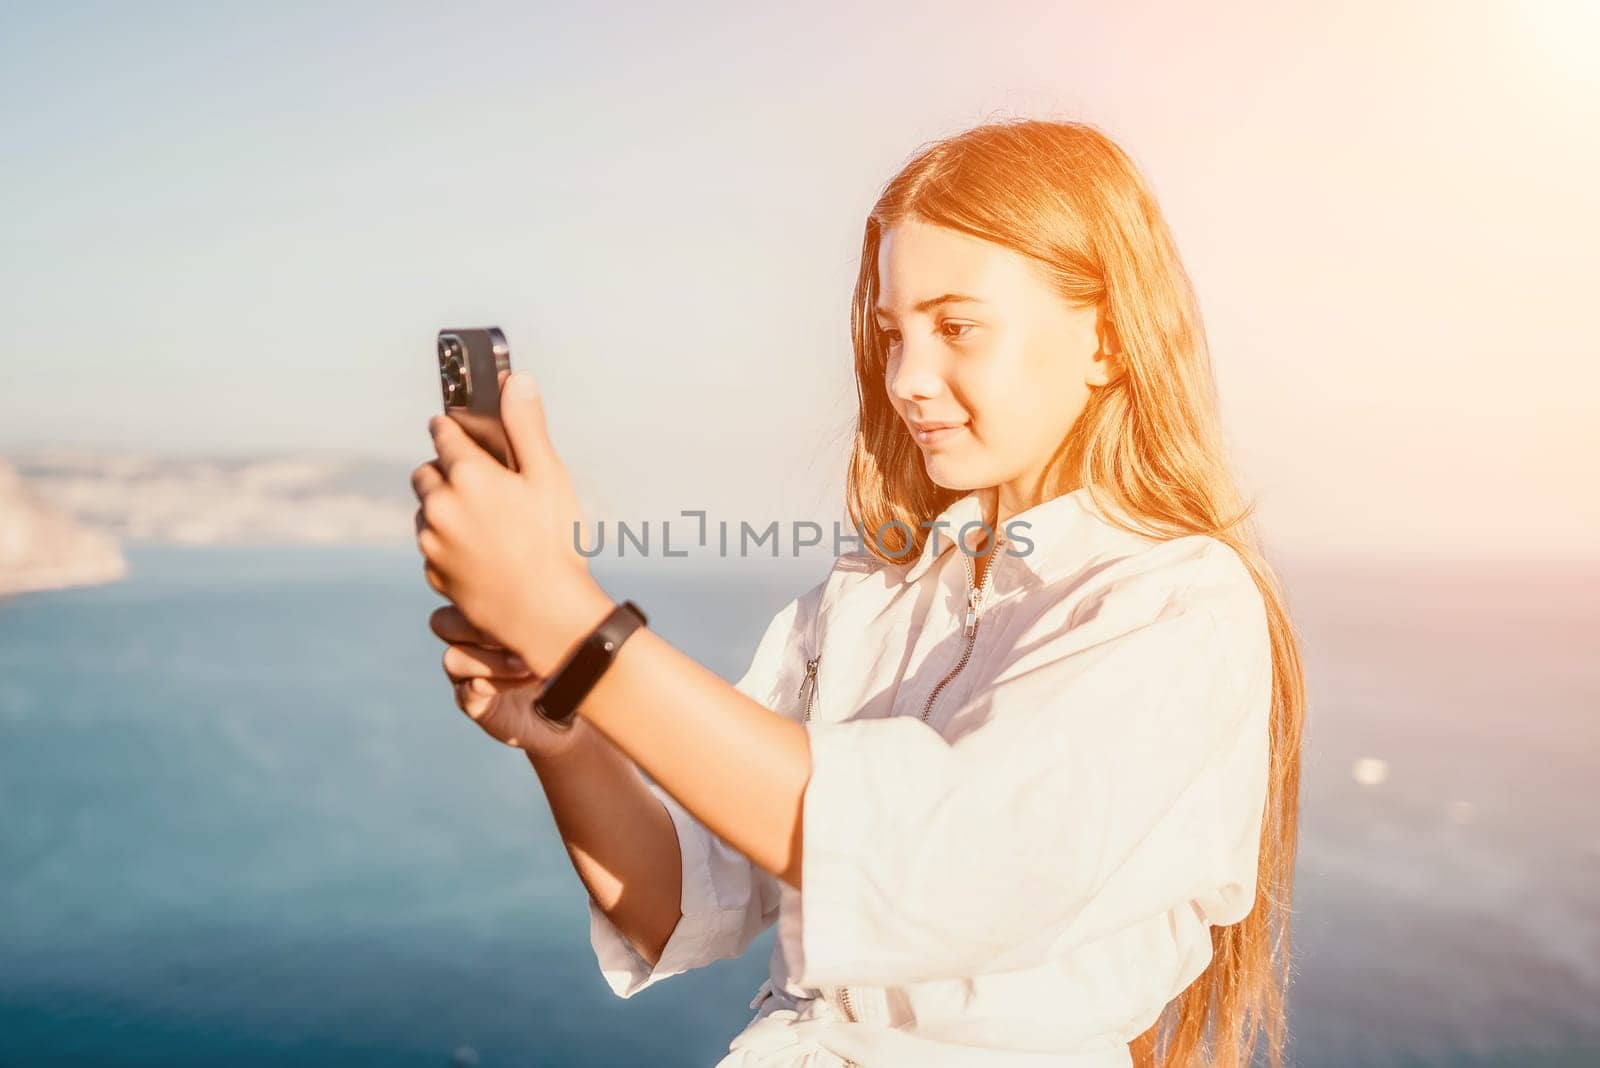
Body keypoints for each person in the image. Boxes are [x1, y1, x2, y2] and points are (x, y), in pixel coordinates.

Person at [410, 117, 1306, 1068]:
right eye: (892, 334)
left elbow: (940, 866)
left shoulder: (1174, 606)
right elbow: (684, 900)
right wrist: (564, 726)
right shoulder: (873, 595)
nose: (908, 379)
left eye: (957, 327)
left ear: (1109, 340)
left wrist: (568, 620)